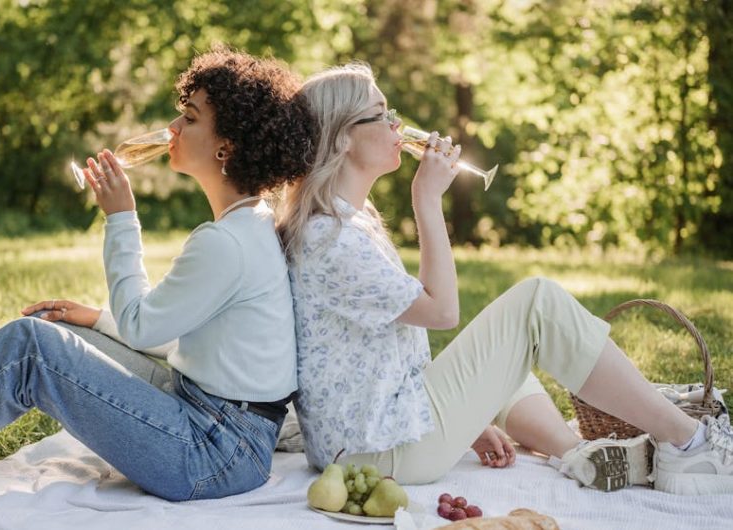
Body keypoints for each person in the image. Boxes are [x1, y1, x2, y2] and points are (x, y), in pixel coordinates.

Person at [0, 48, 316, 501]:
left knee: (32, 348)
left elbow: (141, 325)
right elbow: (191, 340)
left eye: (190, 118)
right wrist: (95, 320)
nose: (172, 127)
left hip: (212, 453)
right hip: (219, 428)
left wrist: (120, 218)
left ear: (225, 148)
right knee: (59, 332)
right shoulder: (246, 225)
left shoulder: (227, 241)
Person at [276, 62, 733, 495]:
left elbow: (389, 352)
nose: (398, 125)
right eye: (381, 114)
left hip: (376, 437)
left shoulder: (345, 223)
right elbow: (442, 312)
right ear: (340, 140)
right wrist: (427, 200)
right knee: (537, 304)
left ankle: (579, 455)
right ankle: (690, 443)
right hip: (380, 453)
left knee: (508, 353)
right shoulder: (331, 238)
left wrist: (466, 420)